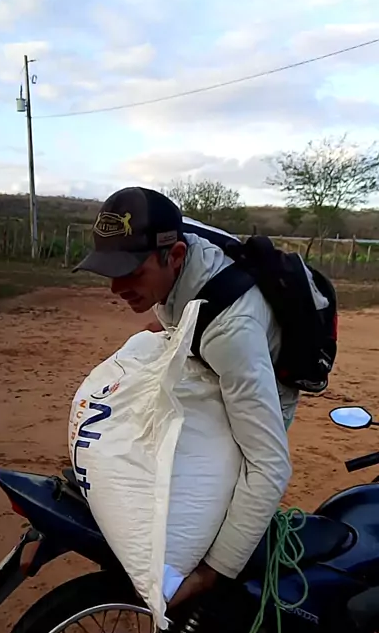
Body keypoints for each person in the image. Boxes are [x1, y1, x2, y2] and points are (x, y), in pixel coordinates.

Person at [74, 186, 298, 610]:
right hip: (213, 346)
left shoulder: (231, 333)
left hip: (259, 369)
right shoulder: (172, 246)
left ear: (175, 256)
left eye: (130, 272)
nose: (116, 288)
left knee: (224, 489)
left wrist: (209, 573)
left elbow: (270, 465)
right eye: (110, 271)